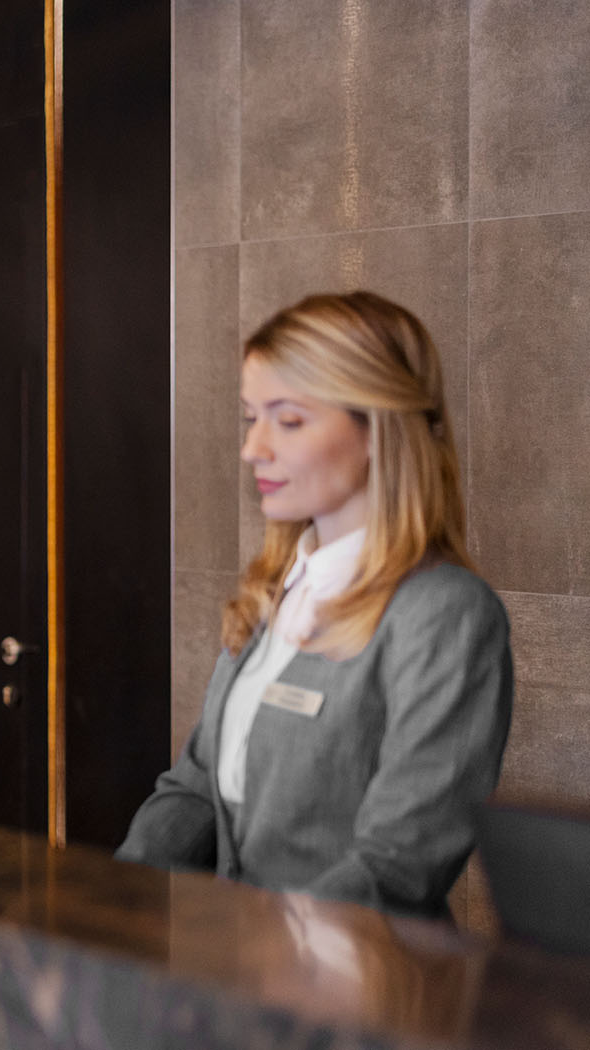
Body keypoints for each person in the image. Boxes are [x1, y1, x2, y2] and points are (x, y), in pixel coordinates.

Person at [118, 291, 512, 919]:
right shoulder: (274, 589)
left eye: (289, 420)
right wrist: (113, 901)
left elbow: (400, 862)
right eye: (252, 418)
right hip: (231, 974)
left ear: (378, 430)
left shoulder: (446, 614)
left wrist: (272, 957)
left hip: (355, 993)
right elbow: (194, 788)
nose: (254, 448)